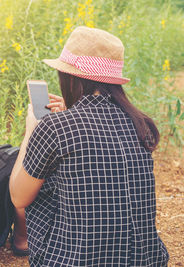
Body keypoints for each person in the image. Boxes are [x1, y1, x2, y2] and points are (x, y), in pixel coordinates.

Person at [9, 26, 169, 266]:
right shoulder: (141, 123)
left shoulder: (55, 127)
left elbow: (18, 197)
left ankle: (21, 241)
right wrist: (70, 114)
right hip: (144, 260)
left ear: (69, 76)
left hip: (73, 260)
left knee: (38, 184)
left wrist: (31, 130)